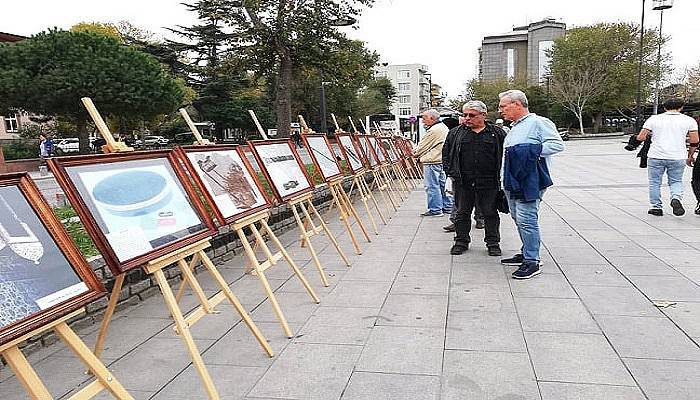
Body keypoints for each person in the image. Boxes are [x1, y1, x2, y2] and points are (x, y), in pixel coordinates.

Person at [498, 90, 565, 279]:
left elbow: (557, 145)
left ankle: (532, 261)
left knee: (527, 219)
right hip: (512, 180)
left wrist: (527, 151)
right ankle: (526, 251)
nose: (500, 110)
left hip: (530, 180)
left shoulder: (538, 123)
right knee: (518, 218)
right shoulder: (515, 127)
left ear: (517, 104)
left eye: (503, 106)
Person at [443, 101, 506, 256]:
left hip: (489, 182)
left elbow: (505, 155)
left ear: (483, 115)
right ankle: (461, 241)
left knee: (490, 213)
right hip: (463, 181)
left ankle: (493, 243)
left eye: (471, 115)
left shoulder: (497, 133)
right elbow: (446, 154)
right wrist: (450, 172)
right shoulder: (456, 133)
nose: (467, 118)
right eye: (465, 115)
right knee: (462, 212)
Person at [635, 98, 699, 216]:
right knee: (676, 181)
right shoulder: (689, 120)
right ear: (681, 107)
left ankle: (656, 207)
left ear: (664, 108)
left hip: (656, 155)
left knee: (655, 182)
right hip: (678, 156)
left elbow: (641, 137)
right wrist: (690, 155)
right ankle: (675, 198)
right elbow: (695, 140)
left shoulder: (654, 119)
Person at [414, 109, 453, 216]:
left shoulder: (434, 130)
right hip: (440, 160)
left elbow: (422, 146)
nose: (422, 121)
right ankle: (447, 206)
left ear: (432, 118)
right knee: (442, 185)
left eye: (424, 118)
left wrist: (414, 153)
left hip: (432, 160)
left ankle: (435, 209)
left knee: (432, 186)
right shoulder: (442, 127)